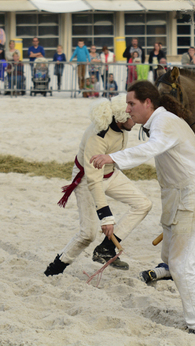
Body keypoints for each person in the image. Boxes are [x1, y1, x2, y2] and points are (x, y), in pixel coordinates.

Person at [90, 81, 195, 332]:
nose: (128, 109)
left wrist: (113, 158)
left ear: (148, 103)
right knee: (171, 259)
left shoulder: (165, 122)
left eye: (132, 104)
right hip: (181, 197)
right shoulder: (160, 122)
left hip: (193, 195)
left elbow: (152, 148)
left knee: (178, 263)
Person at [45, 96, 153, 276]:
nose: (134, 121)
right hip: (87, 179)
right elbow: (94, 179)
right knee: (87, 234)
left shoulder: (122, 125)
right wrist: (106, 216)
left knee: (144, 204)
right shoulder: (99, 135)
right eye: (131, 118)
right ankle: (55, 269)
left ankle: (105, 249)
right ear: (119, 118)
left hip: (111, 174)